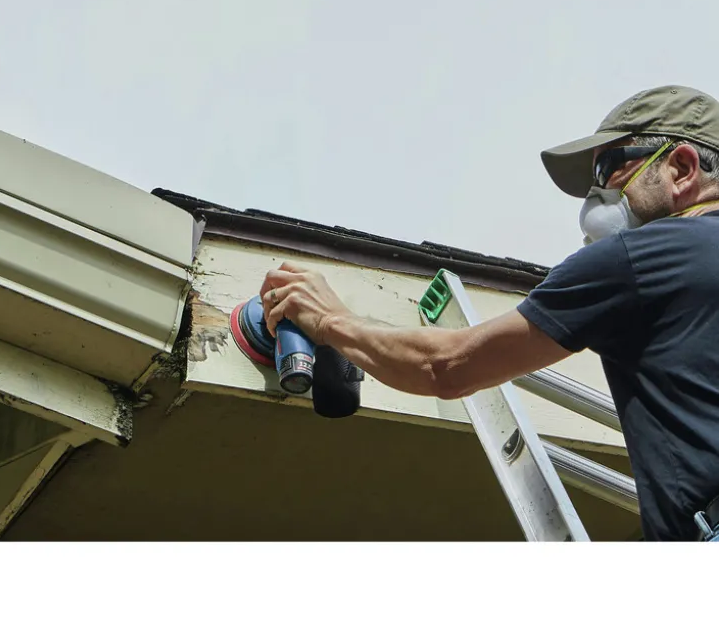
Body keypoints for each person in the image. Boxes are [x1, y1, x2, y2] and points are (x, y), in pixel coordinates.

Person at [259, 85, 719, 542]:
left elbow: (444, 366)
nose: (595, 197)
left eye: (609, 168)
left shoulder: (643, 256)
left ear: (681, 169)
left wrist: (330, 321)